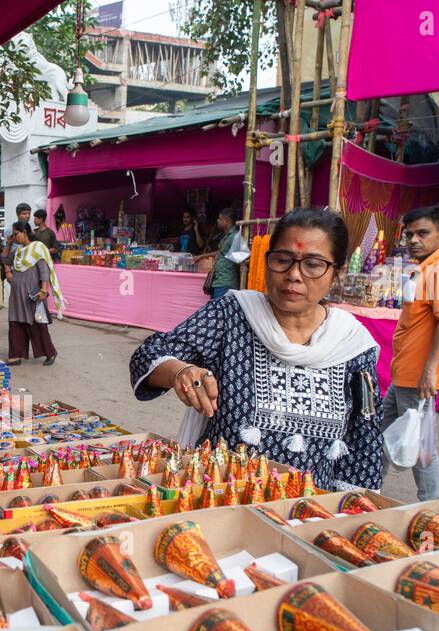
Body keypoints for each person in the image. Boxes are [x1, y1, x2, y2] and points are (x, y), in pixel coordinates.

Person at [129, 207, 383, 492]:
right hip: (219, 502)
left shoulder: (351, 344)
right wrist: (181, 371)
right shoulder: (233, 315)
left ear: (337, 272)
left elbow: (364, 448)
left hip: (308, 514)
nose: (294, 275)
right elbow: (149, 355)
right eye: (283, 260)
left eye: (313, 264)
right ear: (266, 263)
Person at [381, 204, 439, 501]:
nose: (414, 239)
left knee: (420, 445)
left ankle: (431, 506)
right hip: (406, 372)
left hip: (417, 375)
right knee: (380, 431)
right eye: (409, 234)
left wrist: (433, 369)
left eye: (423, 233)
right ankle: (364, 485)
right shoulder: (428, 268)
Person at [6, 220, 64, 367]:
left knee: (37, 325)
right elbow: (4, 259)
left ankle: (50, 352)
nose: (14, 236)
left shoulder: (37, 248)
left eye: (16, 233)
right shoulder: (18, 251)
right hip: (16, 295)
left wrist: (44, 290)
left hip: (32, 294)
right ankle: (15, 355)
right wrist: (8, 244)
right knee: (15, 323)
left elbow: (44, 270)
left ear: (24, 232)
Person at [206, 208, 240, 299]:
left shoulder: (235, 236)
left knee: (220, 310)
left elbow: (240, 259)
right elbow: (222, 252)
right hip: (220, 280)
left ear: (226, 221)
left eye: (219, 219)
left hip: (226, 282)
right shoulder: (227, 236)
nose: (217, 221)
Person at [0, 202, 33, 283]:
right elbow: (5, 250)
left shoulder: (30, 229)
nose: (27, 216)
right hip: (15, 268)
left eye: (29, 213)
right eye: (24, 214)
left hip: (29, 268)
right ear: (18, 215)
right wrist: (8, 271)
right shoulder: (10, 230)